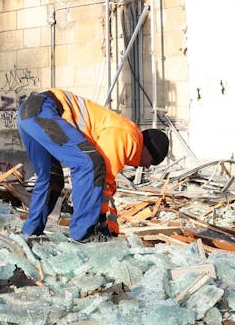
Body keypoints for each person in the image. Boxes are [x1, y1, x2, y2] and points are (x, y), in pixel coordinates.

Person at [17, 89, 169, 241]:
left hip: (29, 112)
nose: (148, 167)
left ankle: (30, 233)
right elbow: (101, 180)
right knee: (89, 164)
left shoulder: (125, 136)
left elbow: (104, 187)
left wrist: (109, 227)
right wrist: (104, 227)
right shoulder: (129, 137)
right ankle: (83, 235)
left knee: (51, 178)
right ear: (149, 150)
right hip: (45, 110)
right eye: (152, 161)